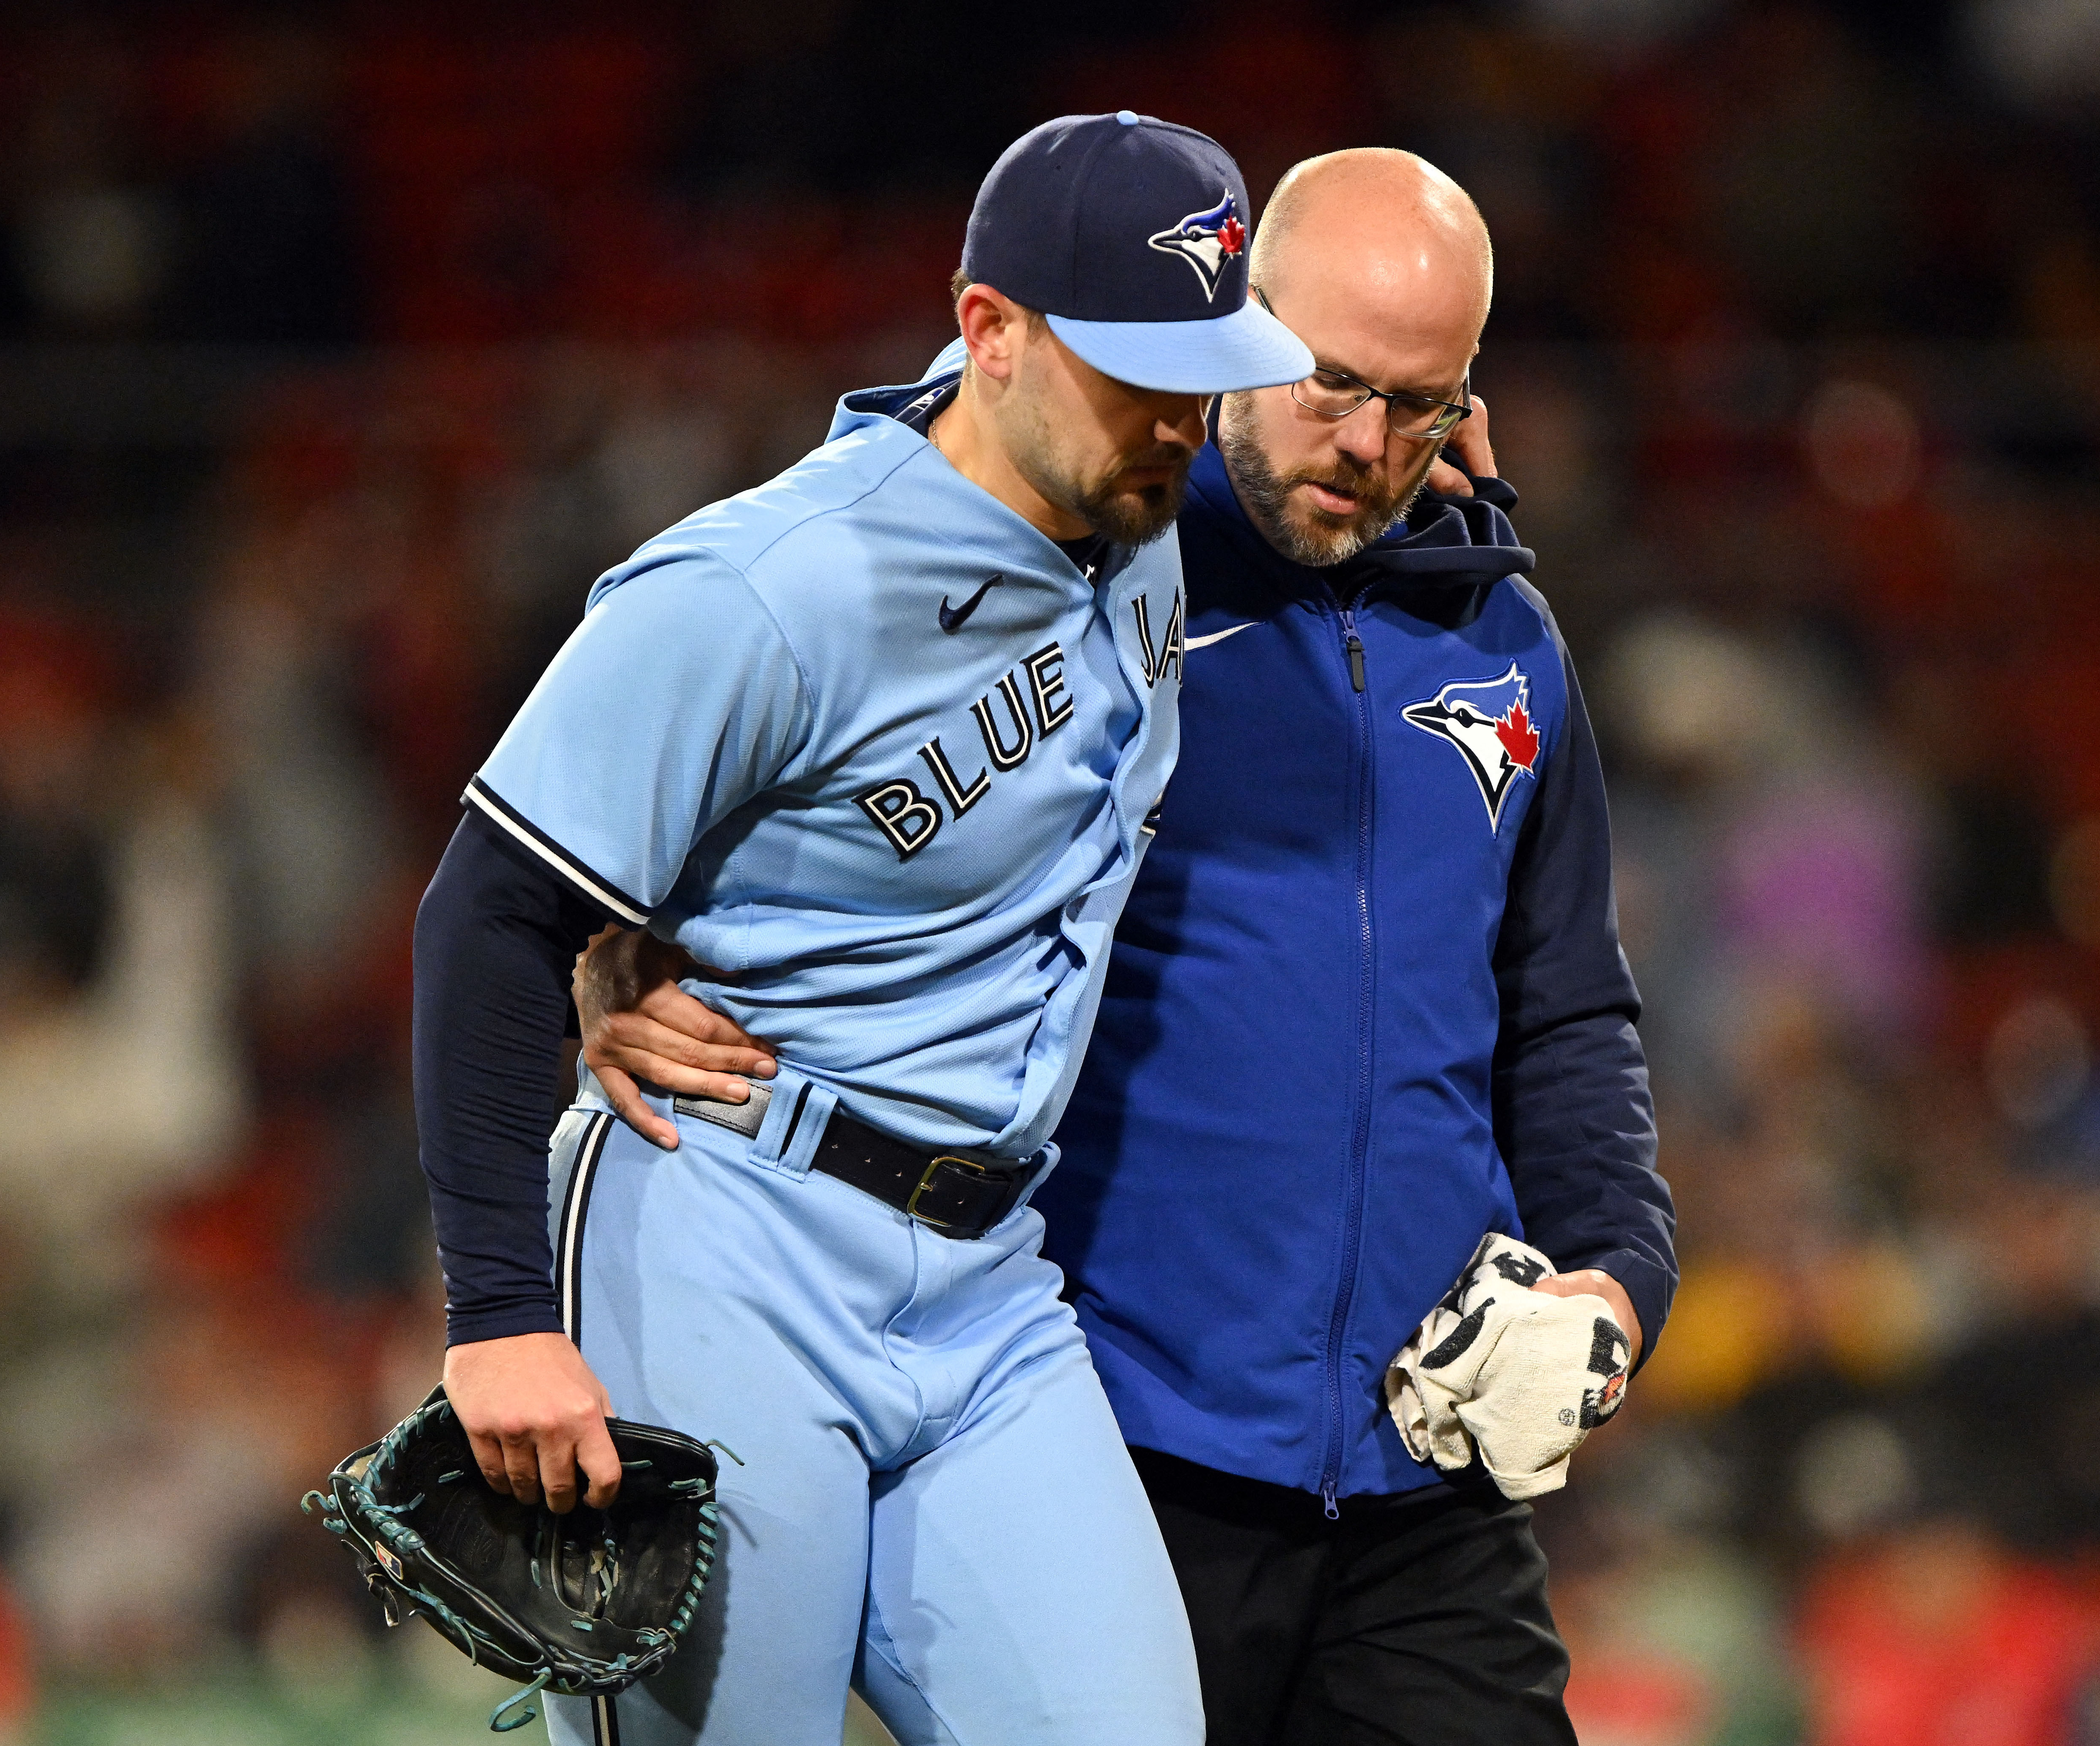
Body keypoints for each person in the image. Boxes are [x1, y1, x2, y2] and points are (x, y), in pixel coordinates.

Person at [584, 149, 1672, 1744]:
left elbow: (1568, 1005)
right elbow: (795, 676)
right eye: (1329, 385)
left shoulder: (1507, 639)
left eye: (1422, 407)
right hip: (1122, 1435)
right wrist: (618, 940)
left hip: (1425, 1469)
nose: (1368, 447)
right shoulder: (1082, 574)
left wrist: (1619, 1278)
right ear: (1235, 330)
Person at [411, 112, 1312, 1746]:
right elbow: (487, 914)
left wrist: (1439, 441)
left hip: (992, 1283)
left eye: (1204, 373)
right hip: (728, 1232)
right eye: (1137, 376)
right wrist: (500, 1319)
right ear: (990, 331)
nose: (1180, 421)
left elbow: (1328, 480)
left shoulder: (1145, 507)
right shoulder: (769, 587)